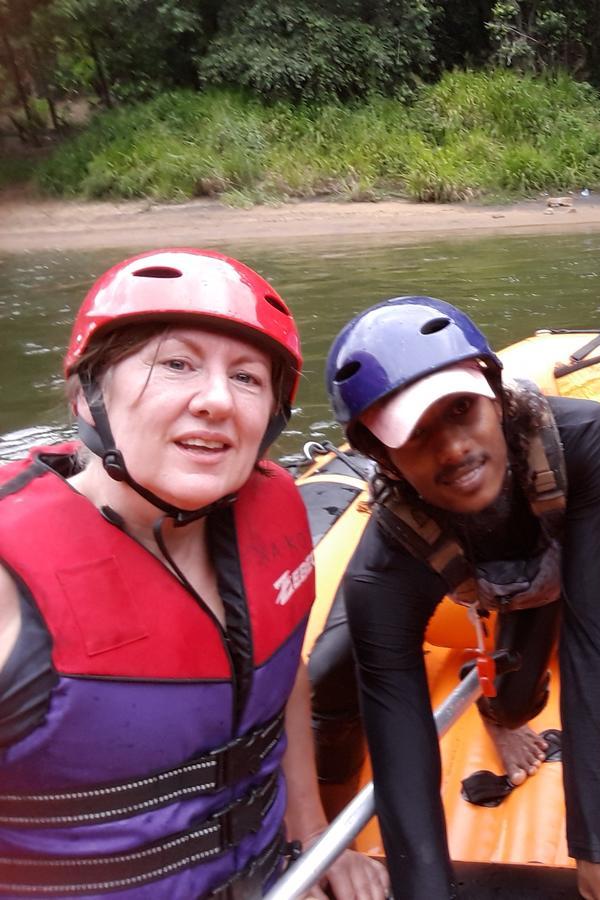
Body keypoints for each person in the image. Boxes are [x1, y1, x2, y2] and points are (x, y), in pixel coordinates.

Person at [0, 249, 387, 900]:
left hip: (272, 878)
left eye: (246, 378)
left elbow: (281, 674)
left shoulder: (275, 510)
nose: (215, 400)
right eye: (176, 364)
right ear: (87, 397)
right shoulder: (10, 582)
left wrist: (316, 836)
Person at [324, 296, 600, 899]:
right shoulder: (388, 564)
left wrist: (596, 864)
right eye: (415, 434)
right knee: (328, 675)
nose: (452, 449)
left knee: (520, 702)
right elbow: (401, 739)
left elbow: (588, 642)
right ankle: (331, 838)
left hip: (543, 556)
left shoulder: (583, 438)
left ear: (496, 399)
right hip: (461, 570)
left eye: (461, 411)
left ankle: (500, 712)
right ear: (382, 457)